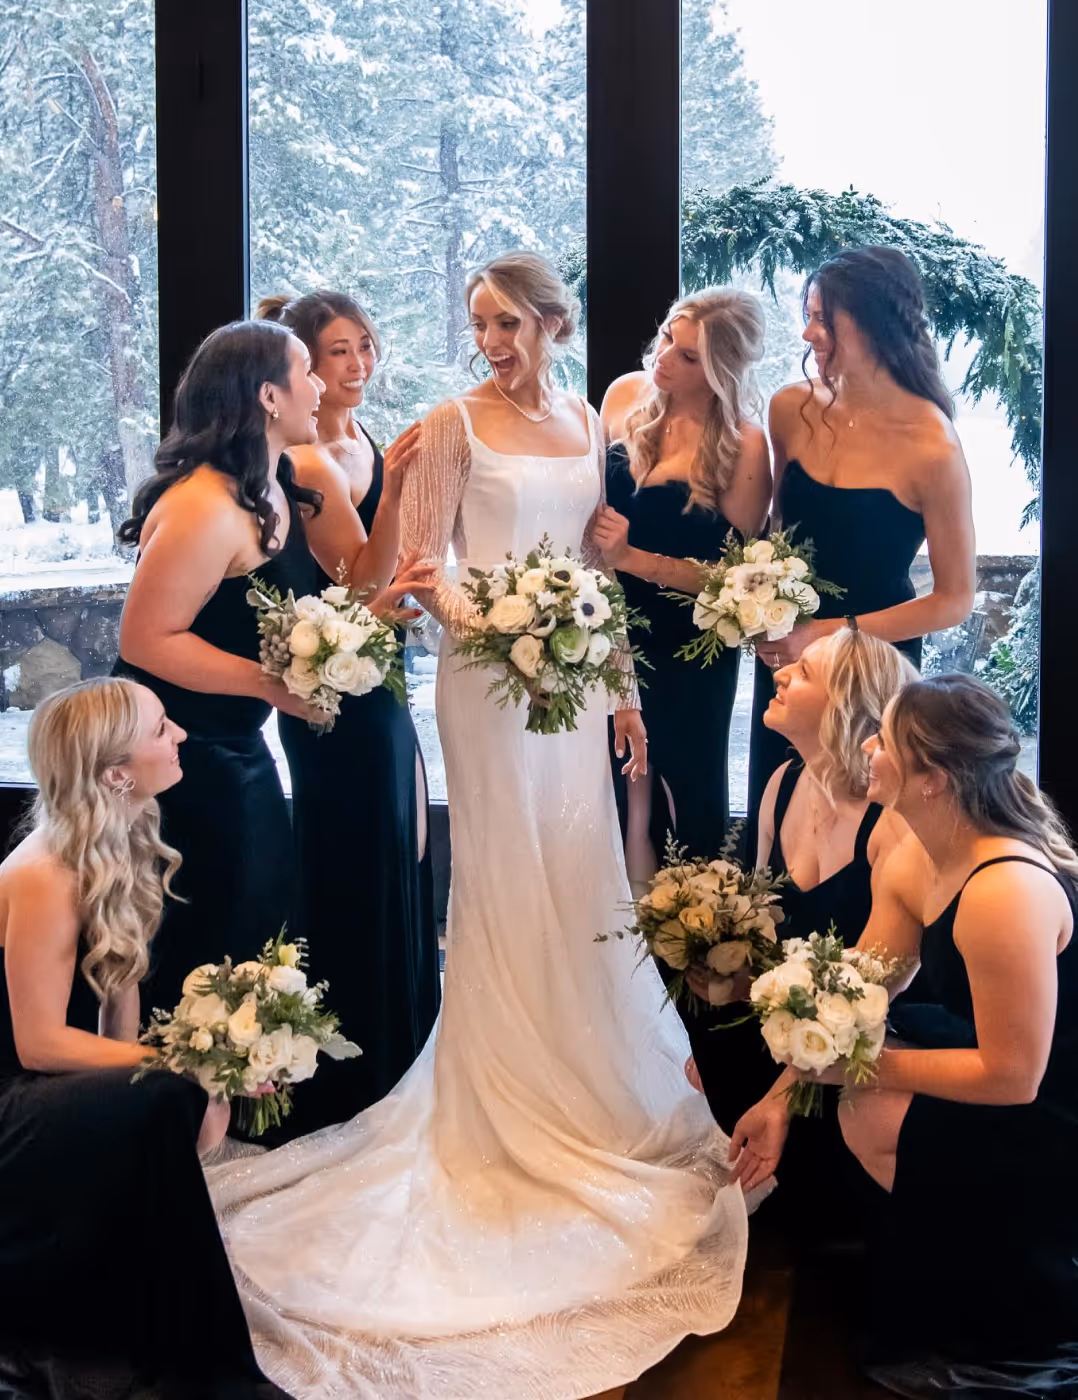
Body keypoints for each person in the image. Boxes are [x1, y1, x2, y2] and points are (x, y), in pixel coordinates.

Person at [207, 253, 750, 1400]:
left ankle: (592, 1085)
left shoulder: (581, 419)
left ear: (553, 322)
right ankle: (501, 1099)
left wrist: (621, 690)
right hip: (489, 682)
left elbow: (592, 576)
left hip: (568, 676)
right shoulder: (450, 422)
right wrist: (506, 627)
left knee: (583, 872)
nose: (490, 338)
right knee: (508, 875)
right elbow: (423, 568)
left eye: (507, 320)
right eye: (478, 322)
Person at [738, 675, 1078, 1397]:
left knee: (871, 1105)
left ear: (934, 781)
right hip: (994, 1060)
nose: (868, 748)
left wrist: (871, 1071)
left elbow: (1016, 1077)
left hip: (1050, 1103)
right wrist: (778, 1099)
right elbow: (853, 995)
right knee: (862, 1098)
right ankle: (957, 1275)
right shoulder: (919, 857)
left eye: (885, 742)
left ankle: (1007, 1295)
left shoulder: (1002, 890)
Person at [113, 320, 423, 1019]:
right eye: (305, 371)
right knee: (222, 917)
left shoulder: (278, 482)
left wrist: (395, 498)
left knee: (262, 907)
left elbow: (346, 584)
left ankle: (240, 1084)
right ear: (267, 397)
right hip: (173, 748)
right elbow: (147, 639)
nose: (319, 386)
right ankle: (185, 1094)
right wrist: (275, 686)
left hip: (234, 741)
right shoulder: (201, 505)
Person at [0, 678, 283, 1398]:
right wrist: (176, 1067)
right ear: (115, 772)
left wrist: (186, 1074)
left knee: (162, 1097)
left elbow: (113, 1009)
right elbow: (36, 1046)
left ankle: (155, 1305)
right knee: (163, 1092)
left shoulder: (112, 839)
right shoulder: (42, 873)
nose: (181, 734)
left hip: (41, 1082)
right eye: (161, 728)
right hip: (10, 1099)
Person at [255, 291, 439, 1130]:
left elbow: (391, 580)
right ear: (301, 368)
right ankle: (356, 1069)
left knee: (399, 854)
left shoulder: (359, 435)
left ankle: (401, 1046)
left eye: (367, 345)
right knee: (354, 863)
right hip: (335, 697)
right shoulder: (309, 465)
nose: (360, 364)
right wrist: (397, 489)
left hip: (380, 678)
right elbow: (360, 583)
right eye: (337, 353)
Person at [747, 245, 976, 828]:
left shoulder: (933, 446)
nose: (807, 332)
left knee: (864, 826)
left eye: (823, 318)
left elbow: (954, 600)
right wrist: (758, 614)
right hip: (787, 657)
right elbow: (772, 535)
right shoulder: (790, 409)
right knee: (779, 812)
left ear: (874, 324)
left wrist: (826, 635)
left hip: (874, 668)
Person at [687, 628, 913, 1141]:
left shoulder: (892, 823)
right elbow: (762, 929)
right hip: (793, 1022)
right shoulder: (781, 783)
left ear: (846, 708)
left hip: (863, 1039)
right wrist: (733, 980)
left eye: (805, 672)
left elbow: (885, 990)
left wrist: (781, 1089)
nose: (781, 673)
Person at [593, 289, 771, 885]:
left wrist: (633, 557)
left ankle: (688, 954)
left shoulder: (745, 445)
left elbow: (737, 586)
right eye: (668, 337)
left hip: (691, 651)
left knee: (685, 801)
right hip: (608, 636)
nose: (664, 359)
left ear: (722, 369)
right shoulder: (623, 398)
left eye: (689, 357)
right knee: (613, 798)